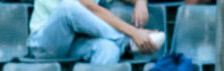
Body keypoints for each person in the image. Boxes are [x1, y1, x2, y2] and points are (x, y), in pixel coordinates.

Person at [27, 0, 162, 64]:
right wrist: (133, 33)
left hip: (74, 44)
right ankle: (126, 43)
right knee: (68, 7)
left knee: (108, 48)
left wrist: (140, 3)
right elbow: (90, 7)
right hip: (44, 45)